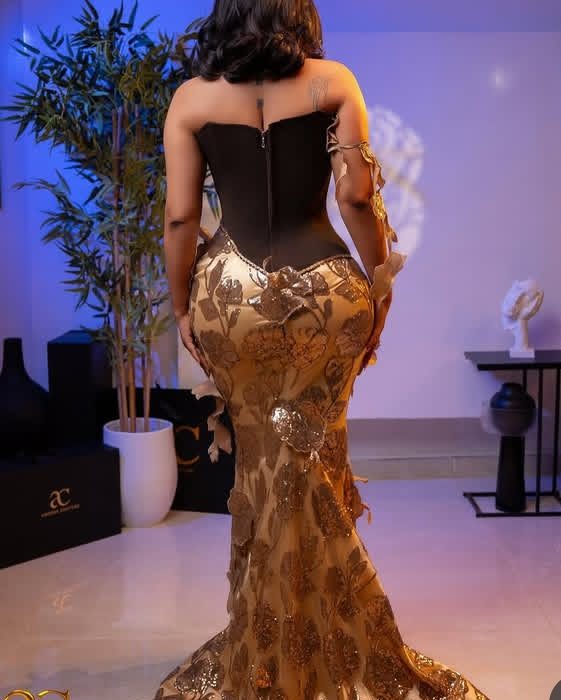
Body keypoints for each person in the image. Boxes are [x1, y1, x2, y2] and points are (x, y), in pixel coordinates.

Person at [157, 1, 491, 698]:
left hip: (229, 297)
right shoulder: (333, 81)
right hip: (327, 294)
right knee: (312, 455)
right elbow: (356, 199)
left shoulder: (190, 99)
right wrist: (380, 282)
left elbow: (182, 217)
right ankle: (322, 632)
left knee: (262, 459)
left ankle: (271, 638)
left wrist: (182, 305)